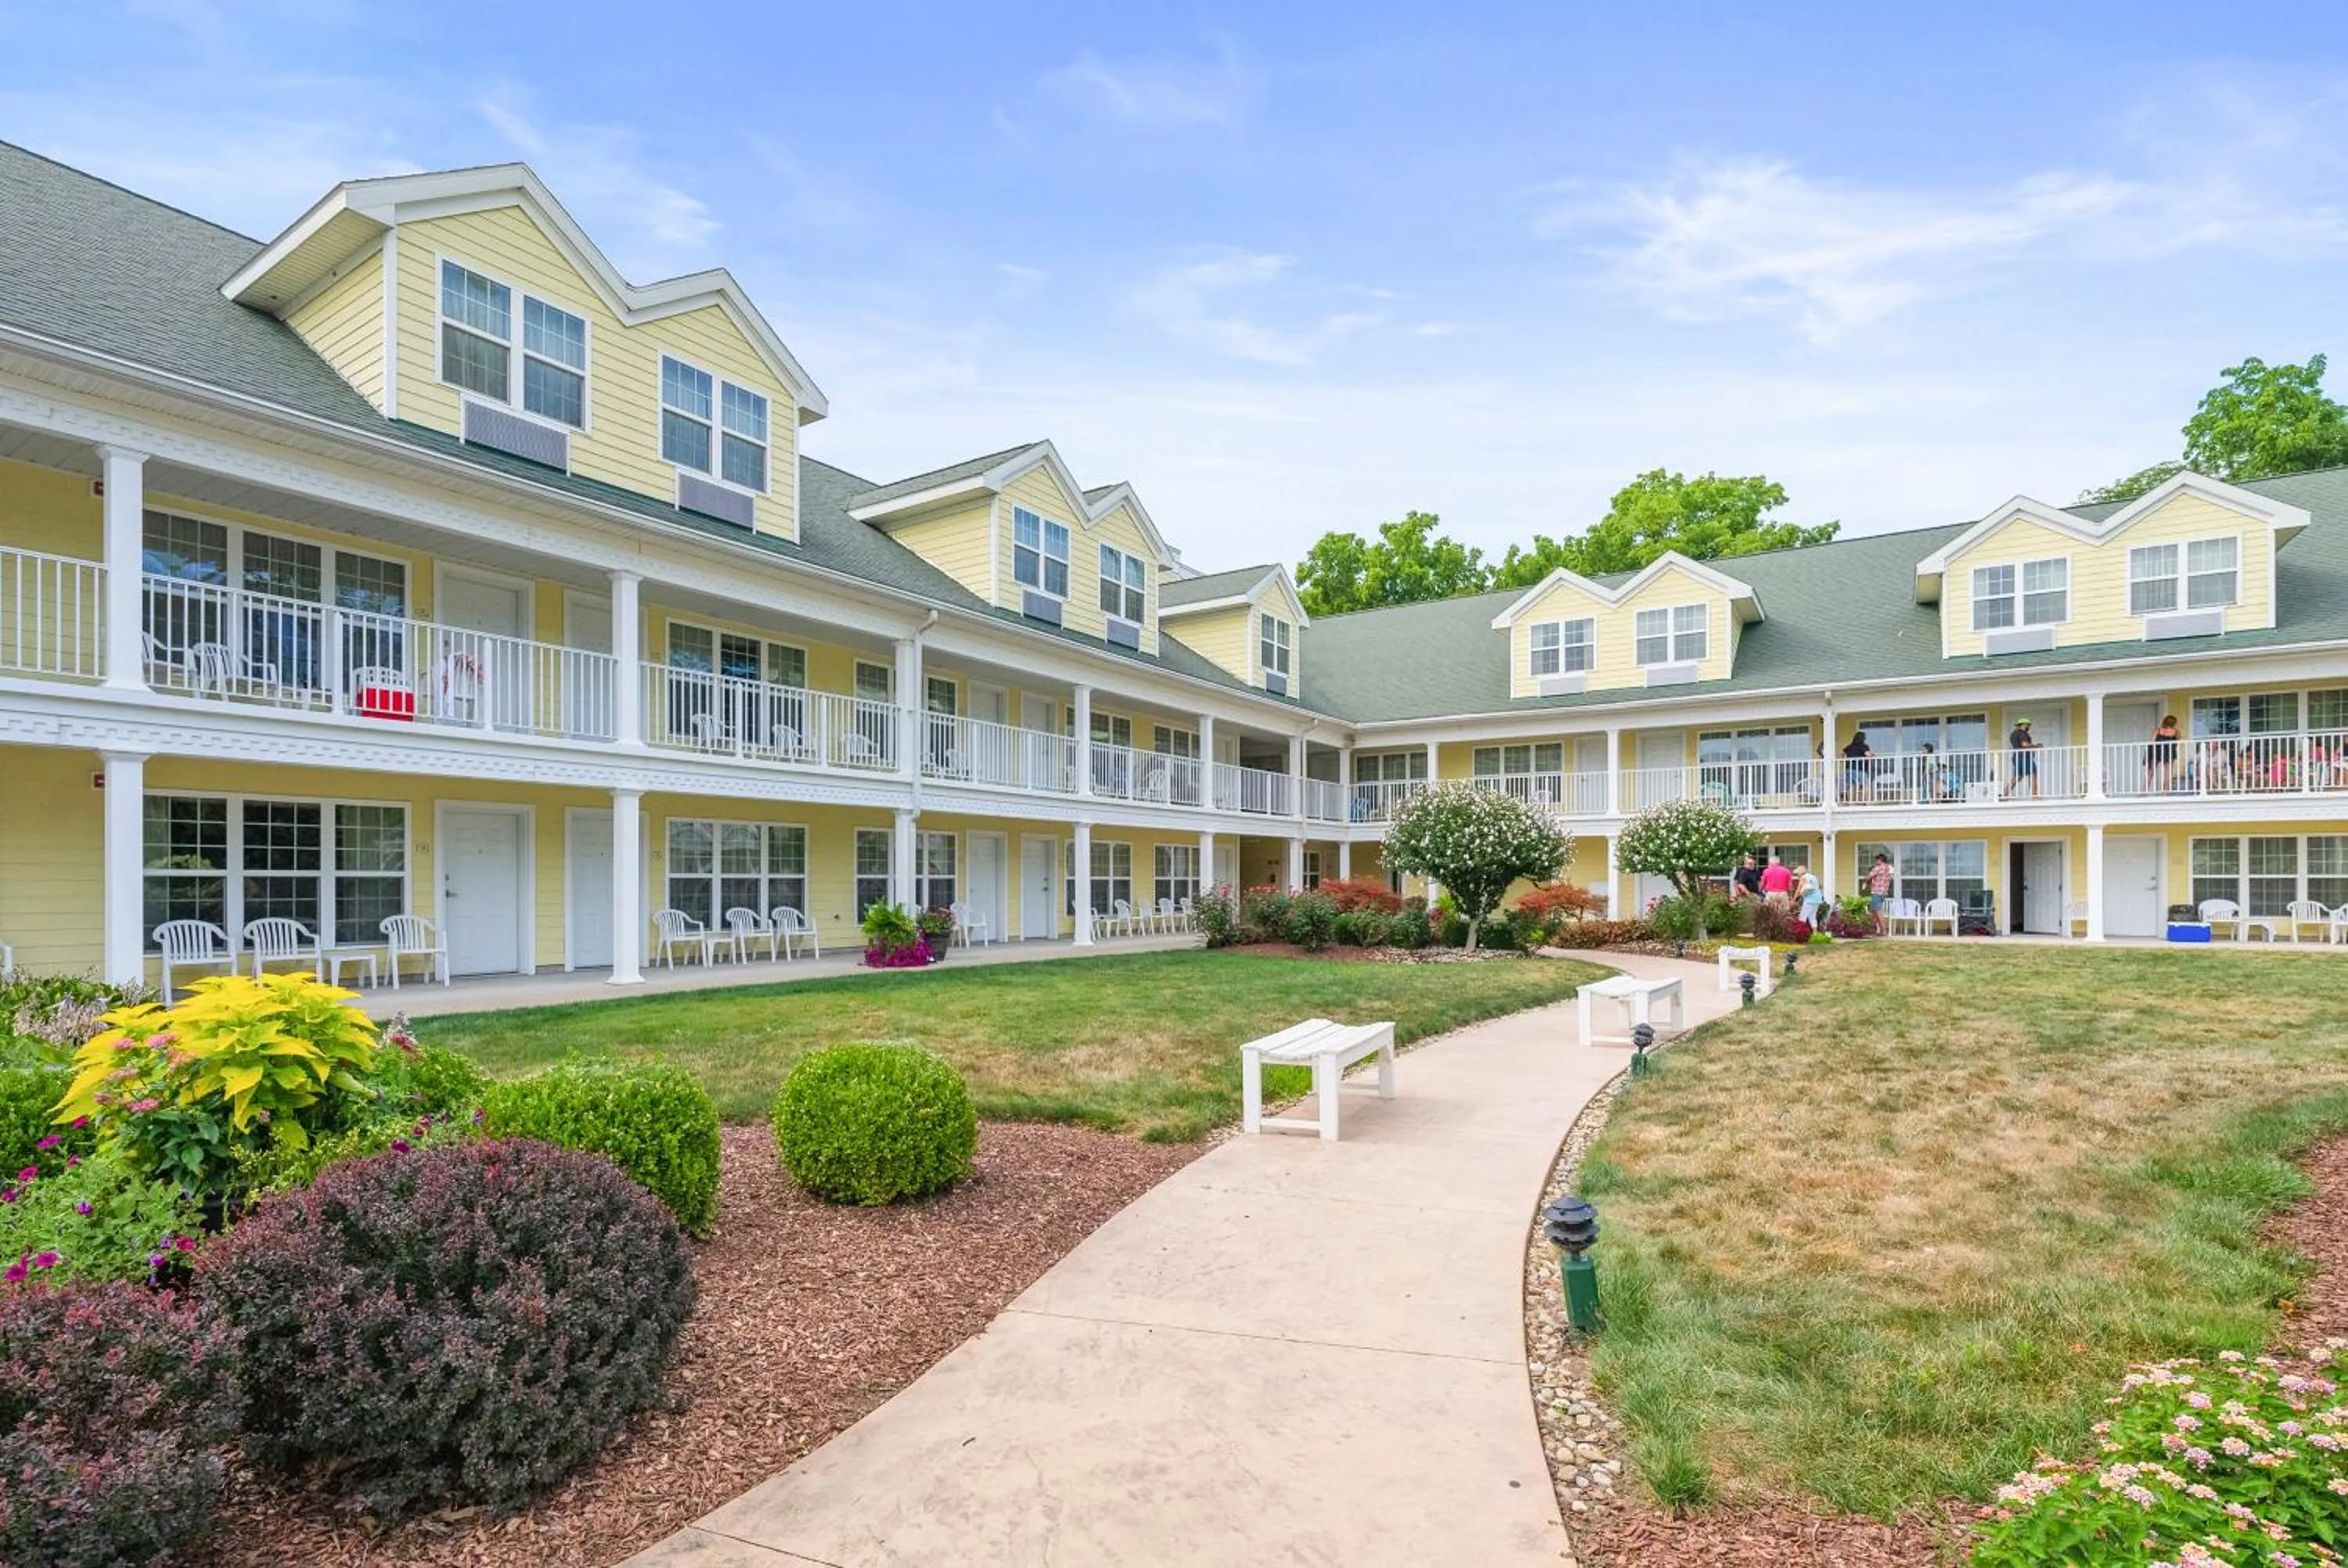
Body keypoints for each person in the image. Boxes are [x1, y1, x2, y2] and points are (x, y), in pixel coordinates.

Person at [2002, 716, 2040, 799]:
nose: (2029, 727)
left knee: (2017, 777)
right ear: (2023, 725)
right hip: (2025, 757)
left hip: (2017, 757)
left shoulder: (2013, 734)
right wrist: (2035, 746)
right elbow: (2024, 744)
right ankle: (2035, 797)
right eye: (2028, 725)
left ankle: (2004, 795)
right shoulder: (2022, 733)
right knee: (2033, 775)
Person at [2148, 714, 2181, 793]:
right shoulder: (2176, 732)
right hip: (2169, 752)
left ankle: (2144, 791)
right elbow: (2178, 738)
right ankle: (2166, 792)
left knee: (2150, 772)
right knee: (2168, 773)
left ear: (2164, 722)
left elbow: (2152, 742)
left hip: (2157, 752)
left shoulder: (2158, 730)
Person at [1864, 852, 1896, 931]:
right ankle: (1870, 929)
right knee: (1873, 912)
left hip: (1876, 892)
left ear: (1880, 860)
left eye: (1877, 860)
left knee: (1878, 912)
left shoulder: (1878, 868)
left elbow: (1868, 877)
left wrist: (1866, 881)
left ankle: (1883, 931)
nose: (1876, 862)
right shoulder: (1889, 868)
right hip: (1883, 893)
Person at [1840, 732, 1874, 802]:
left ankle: (1850, 803)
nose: (1865, 738)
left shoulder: (1850, 746)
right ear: (1862, 738)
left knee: (1851, 786)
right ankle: (1868, 802)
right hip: (1859, 769)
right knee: (1865, 785)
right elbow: (1868, 755)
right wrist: (1873, 755)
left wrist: (1845, 759)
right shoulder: (1863, 746)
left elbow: (1842, 753)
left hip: (1849, 769)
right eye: (1864, 737)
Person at [1795, 863, 1823, 927]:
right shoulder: (1814, 877)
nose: (1798, 875)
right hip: (1817, 899)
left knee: (1802, 918)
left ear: (1801, 872)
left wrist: (1794, 900)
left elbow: (1798, 890)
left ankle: (1801, 933)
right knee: (1813, 917)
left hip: (1809, 900)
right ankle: (1815, 934)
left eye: (1798, 873)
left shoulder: (1803, 878)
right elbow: (1820, 886)